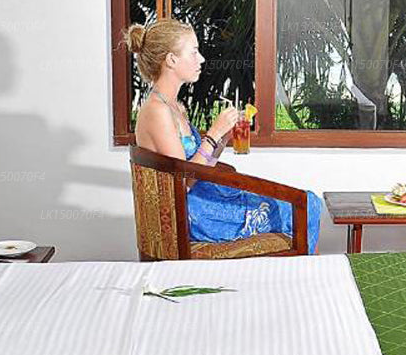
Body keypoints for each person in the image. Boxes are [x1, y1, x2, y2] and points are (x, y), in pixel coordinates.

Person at [127, 18, 321, 253]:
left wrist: (223, 138)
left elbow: (203, 166)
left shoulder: (174, 107)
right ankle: (302, 269)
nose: (201, 59)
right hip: (198, 215)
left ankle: (297, 266)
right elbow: (183, 181)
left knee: (308, 201)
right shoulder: (156, 111)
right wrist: (213, 133)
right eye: (194, 52)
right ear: (171, 60)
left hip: (206, 198)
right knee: (308, 204)